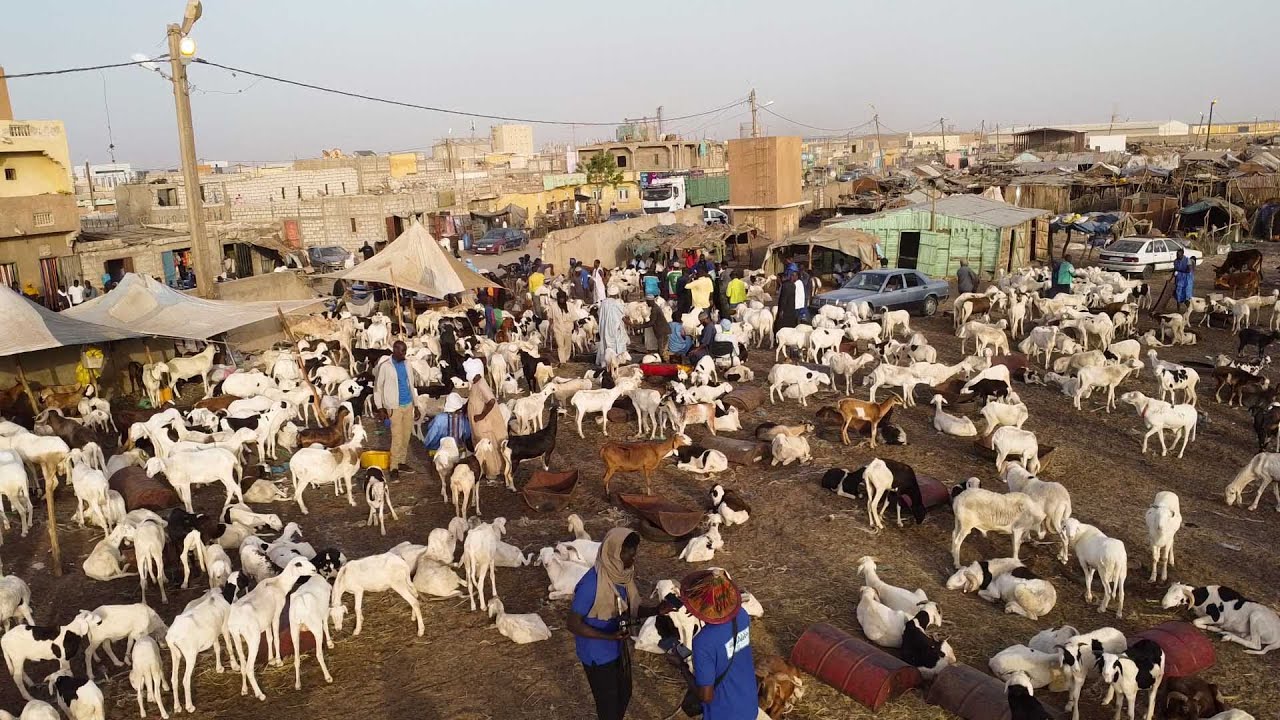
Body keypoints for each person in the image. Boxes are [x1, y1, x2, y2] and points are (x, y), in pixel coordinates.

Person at [568, 529, 672, 720]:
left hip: (617, 646)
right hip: (597, 654)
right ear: (612, 553)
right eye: (628, 554)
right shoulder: (591, 585)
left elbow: (633, 608)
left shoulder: (622, 576)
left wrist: (657, 610)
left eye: (634, 554)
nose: (633, 560)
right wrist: (608, 636)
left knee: (624, 693)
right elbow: (573, 624)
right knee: (608, 706)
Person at [684, 569, 756, 720]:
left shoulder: (703, 642)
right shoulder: (742, 615)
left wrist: (681, 666)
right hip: (748, 705)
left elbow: (706, 696)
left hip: (723, 713)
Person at [374, 341, 419, 475]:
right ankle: (394, 467)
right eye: (402, 351)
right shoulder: (385, 366)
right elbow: (378, 388)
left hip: (408, 404)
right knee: (397, 437)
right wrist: (380, 407)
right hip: (394, 407)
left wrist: (416, 405)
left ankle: (401, 462)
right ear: (394, 350)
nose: (404, 354)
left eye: (405, 351)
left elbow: (411, 385)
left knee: (406, 436)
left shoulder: (407, 364)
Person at [465, 357, 508, 450]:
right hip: (477, 419)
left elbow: (491, 401)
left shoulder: (481, 384)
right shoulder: (475, 383)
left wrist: (481, 415)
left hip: (483, 421)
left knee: (485, 442)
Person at [596, 286, 629, 367]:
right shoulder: (617, 303)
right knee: (617, 343)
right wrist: (631, 324)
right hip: (615, 328)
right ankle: (618, 361)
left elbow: (599, 314)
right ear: (617, 294)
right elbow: (622, 316)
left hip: (604, 328)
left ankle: (606, 362)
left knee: (606, 344)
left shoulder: (603, 303)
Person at [549, 291, 575, 364]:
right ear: (558, 298)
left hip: (568, 328)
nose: (561, 300)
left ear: (565, 298)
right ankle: (562, 360)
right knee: (560, 345)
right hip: (557, 328)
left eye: (563, 298)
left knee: (568, 344)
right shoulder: (553, 307)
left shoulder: (570, 306)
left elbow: (574, 317)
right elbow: (550, 318)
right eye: (560, 298)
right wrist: (550, 327)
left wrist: (576, 327)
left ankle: (567, 357)